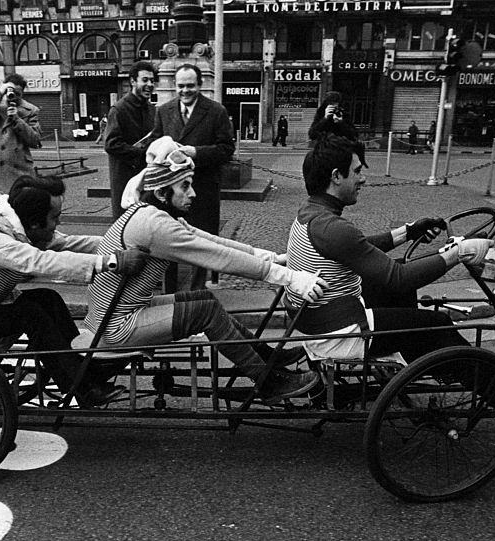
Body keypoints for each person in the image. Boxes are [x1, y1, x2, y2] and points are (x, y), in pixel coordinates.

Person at [285, 135, 495, 395]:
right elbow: (399, 277)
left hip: (319, 320)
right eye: (356, 171)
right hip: (337, 333)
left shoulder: (311, 214)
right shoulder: (333, 227)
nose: (362, 178)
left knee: (398, 285)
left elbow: (359, 248)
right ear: (335, 176)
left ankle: (415, 351)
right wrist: (458, 253)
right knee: (435, 323)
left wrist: (408, 232)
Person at [87, 137, 328, 404]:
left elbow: (212, 241)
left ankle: (266, 356)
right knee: (205, 312)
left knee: (204, 300)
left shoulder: (151, 214)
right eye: (185, 186)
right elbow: (217, 257)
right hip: (116, 327)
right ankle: (269, 381)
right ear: (160, 192)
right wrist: (290, 277)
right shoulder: (155, 226)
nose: (193, 194)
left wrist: (270, 258)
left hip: (117, 316)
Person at [0, 175, 147, 407]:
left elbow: (72, 243)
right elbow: (41, 261)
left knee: (46, 298)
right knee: (30, 313)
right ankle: (80, 387)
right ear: (33, 223)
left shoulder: (21, 230)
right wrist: (112, 262)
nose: (58, 223)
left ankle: (82, 369)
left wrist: (124, 243)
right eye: (55, 217)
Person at [150, 64, 235, 292]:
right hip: (170, 193)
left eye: (190, 85)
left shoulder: (216, 111)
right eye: (180, 86)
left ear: (199, 85)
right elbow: (156, 144)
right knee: (167, 241)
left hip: (203, 190)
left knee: (202, 243)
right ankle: (169, 294)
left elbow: (227, 149)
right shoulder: (164, 110)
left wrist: (195, 153)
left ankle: (196, 294)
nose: (185, 90)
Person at [104, 60, 157, 220]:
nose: (149, 84)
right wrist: (142, 152)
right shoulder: (119, 109)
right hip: (125, 178)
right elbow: (111, 144)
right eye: (145, 80)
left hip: (148, 178)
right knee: (126, 222)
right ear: (133, 81)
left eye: (152, 81)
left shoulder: (152, 110)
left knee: (147, 222)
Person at [307, 92, 368, 168]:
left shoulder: (343, 114)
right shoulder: (321, 114)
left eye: (336, 105)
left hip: (341, 151)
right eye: (332, 105)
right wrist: (325, 119)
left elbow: (353, 134)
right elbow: (312, 134)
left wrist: (341, 122)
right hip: (324, 152)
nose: (334, 109)